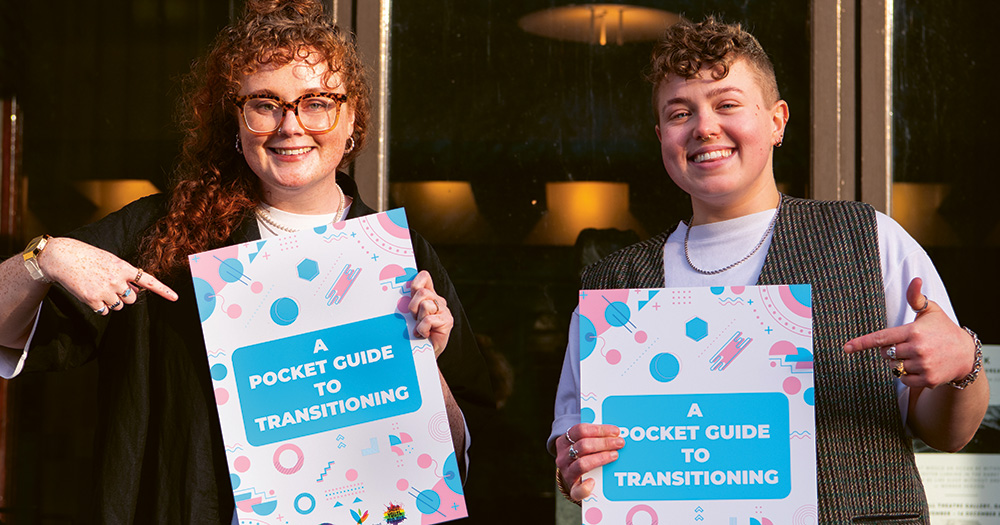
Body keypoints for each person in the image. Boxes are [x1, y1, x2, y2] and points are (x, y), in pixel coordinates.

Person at [0, 0, 492, 523]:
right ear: (235, 121)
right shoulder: (163, 234)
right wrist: (42, 258)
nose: (291, 125)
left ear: (351, 119)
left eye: (316, 102)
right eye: (265, 104)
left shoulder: (400, 258)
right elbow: (8, 334)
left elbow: (453, 460)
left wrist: (425, 369)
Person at [548, 16, 989, 523]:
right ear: (661, 136)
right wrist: (577, 464)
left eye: (727, 104)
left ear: (777, 120)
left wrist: (964, 361)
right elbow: (575, 461)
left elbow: (949, 433)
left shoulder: (868, 240)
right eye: (679, 113)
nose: (704, 126)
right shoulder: (612, 287)